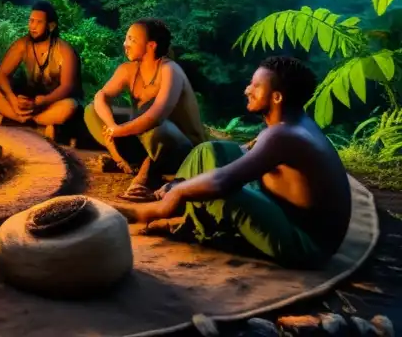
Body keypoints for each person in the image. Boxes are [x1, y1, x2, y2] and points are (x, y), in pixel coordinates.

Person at [114, 56, 353, 269]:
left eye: (256, 86)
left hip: (304, 244)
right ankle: (186, 217)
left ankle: (167, 216)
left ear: (277, 97)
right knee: (209, 151)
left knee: (222, 191)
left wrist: (180, 191)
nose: (247, 90)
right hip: (280, 205)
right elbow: (243, 153)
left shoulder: (283, 134)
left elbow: (221, 181)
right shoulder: (290, 123)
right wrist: (182, 184)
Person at [84, 19, 208, 201]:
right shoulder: (128, 70)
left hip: (180, 148)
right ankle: (126, 161)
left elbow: (156, 117)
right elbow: (100, 96)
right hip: (146, 143)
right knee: (92, 111)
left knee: (152, 124)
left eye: (132, 40)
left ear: (151, 46)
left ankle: (144, 176)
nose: (125, 44)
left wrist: (119, 130)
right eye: (126, 38)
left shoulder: (170, 70)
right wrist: (112, 126)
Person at [0, 0, 83, 141]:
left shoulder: (65, 50)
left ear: (51, 26)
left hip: (52, 102)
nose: (32, 26)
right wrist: (12, 99)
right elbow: (1, 75)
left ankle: (16, 119)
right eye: (31, 21)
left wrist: (43, 101)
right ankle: (35, 123)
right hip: (27, 102)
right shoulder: (22, 45)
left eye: (38, 22)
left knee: (69, 107)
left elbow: (67, 87)